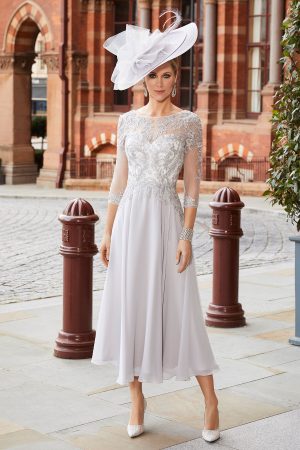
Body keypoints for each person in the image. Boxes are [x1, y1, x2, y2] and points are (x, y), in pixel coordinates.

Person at [91, 8, 221, 443]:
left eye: (167, 75)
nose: (160, 83)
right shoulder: (127, 122)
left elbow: (192, 188)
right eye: (153, 76)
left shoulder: (188, 123)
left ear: (175, 77)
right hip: (130, 223)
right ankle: (136, 400)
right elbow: (117, 182)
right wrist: (107, 231)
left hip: (166, 224)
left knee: (181, 308)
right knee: (131, 307)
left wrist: (186, 237)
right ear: (142, 79)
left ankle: (210, 400)